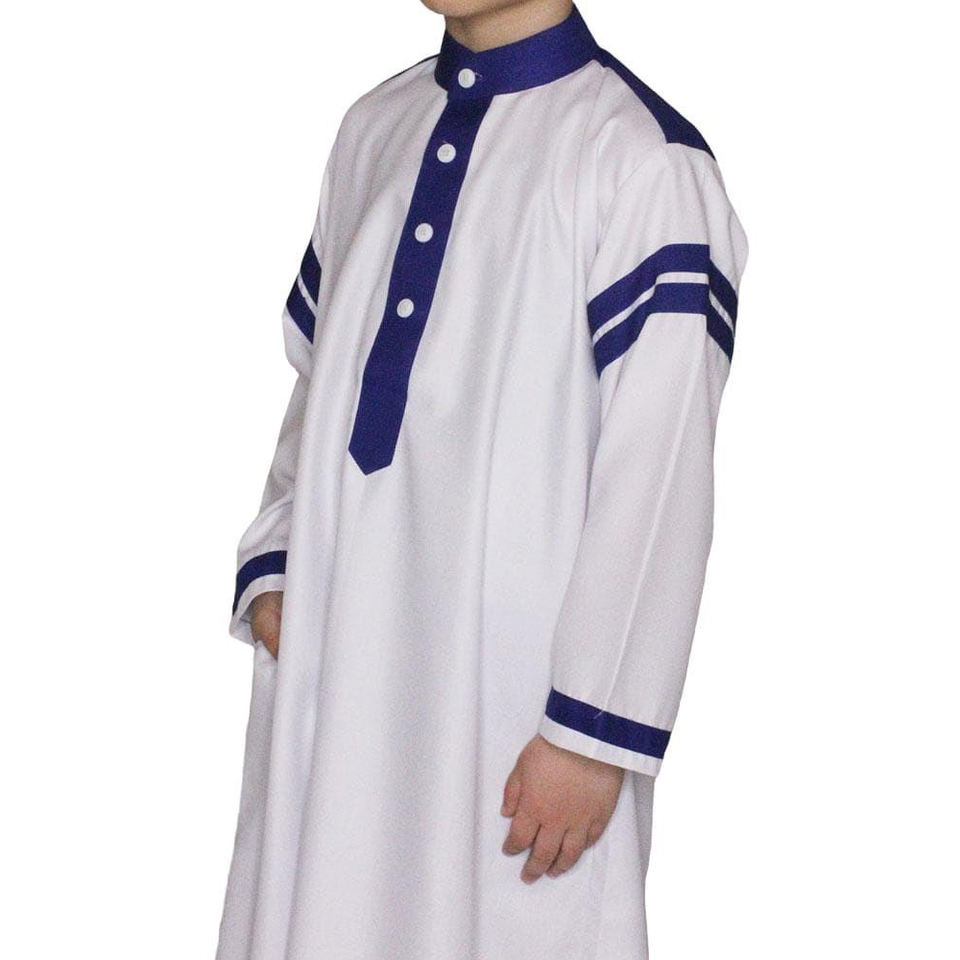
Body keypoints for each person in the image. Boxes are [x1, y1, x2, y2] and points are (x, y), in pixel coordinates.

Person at [216, 1, 748, 958]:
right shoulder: (374, 127)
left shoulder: (644, 163)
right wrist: (277, 560)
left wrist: (591, 734)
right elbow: (320, 377)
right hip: (338, 666)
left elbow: (661, 472)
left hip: (512, 705)